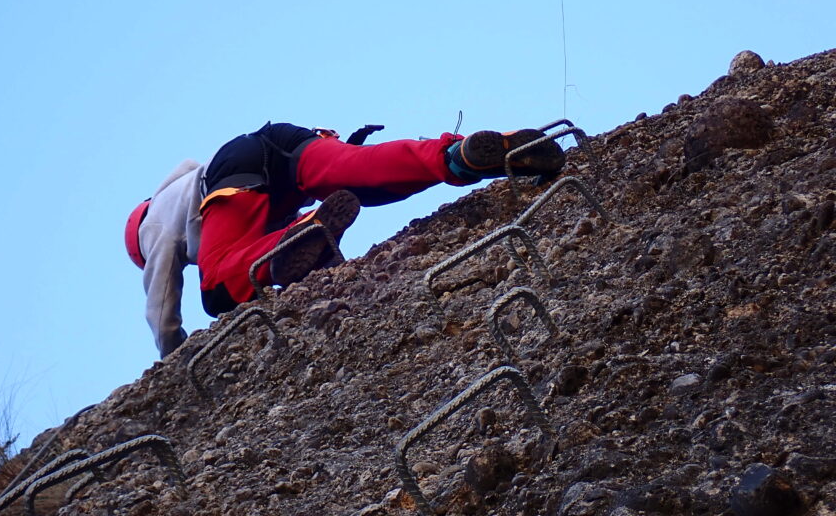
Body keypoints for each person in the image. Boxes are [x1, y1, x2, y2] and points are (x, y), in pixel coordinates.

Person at [125, 122, 565, 357]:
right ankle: (458, 155)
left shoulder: (154, 226)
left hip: (237, 173)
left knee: (218, 288)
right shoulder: (183, 192)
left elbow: (161, 300)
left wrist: (172, 357)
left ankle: (306, 230)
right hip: (283, 142)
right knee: (367, 172)